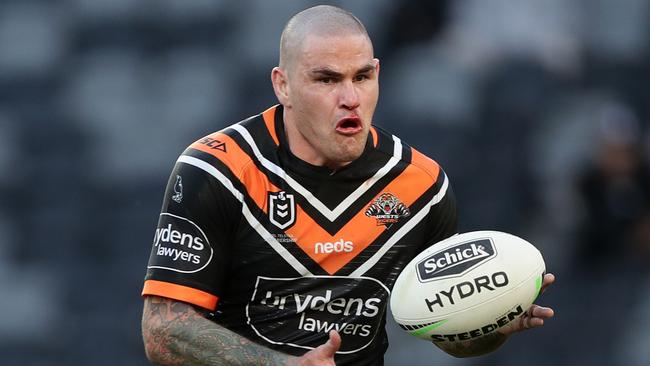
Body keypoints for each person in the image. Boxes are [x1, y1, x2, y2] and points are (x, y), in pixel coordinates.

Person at [141, 5, 555, 365]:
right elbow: (162, 331)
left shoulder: (420, 185)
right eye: (326, 80)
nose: (350, 97)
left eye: (361, 77)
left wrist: (490, 322)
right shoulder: (219, 169)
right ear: (282, 85)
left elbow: (451, 340)